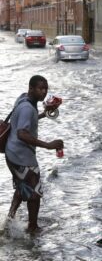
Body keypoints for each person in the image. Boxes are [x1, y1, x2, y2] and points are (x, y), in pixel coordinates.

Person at [5, 75, 63, 233]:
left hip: (12, 153)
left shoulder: (24, 99)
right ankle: (33, 227)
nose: (44, 92)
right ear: (31, 88)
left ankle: (10, 219)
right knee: (35, 193)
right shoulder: (27, 108)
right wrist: (49, 145)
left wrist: (45, 113)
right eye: (40, 88)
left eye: (46, 89)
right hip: (21, 156)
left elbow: (25, 121)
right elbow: (22, 134)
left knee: (22, 184)